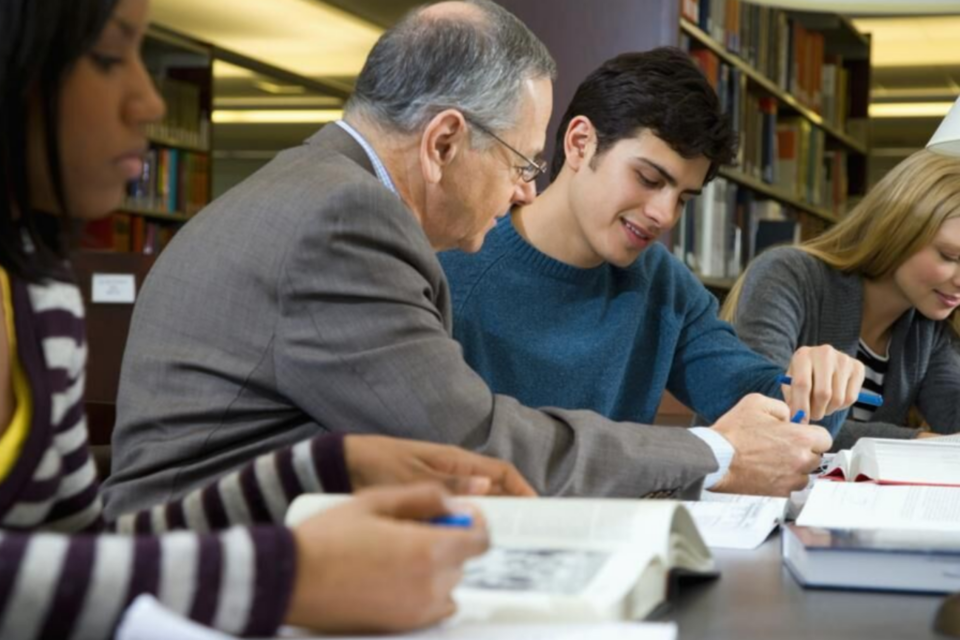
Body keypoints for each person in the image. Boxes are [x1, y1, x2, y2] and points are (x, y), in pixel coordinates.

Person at [104, 0, 831, 519]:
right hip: (205, 569)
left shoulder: (313, 190)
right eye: (519, 161)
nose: (524, 188)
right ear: (444, 143)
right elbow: (469, 440)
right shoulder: (346, 220)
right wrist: (712, 454)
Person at [0, 0, 540, 636]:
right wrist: (286, 572)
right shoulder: (340, 212)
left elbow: (82, 556)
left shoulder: (42, 292)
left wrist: (327, 468)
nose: (149, 101)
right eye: (109, 57)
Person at [438, 48, 864, 445]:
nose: (664, 215)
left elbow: (768, 406)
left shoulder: (665, 286)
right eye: (648, 179)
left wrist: (821, 386)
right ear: (580, 143)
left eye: (683, 199)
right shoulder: (452, 267)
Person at [720, 149, 960, 450]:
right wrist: (918, 443)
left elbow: (954, 419)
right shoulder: (788, 275)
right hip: (741, 476)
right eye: (950, 256)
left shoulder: (928, 331)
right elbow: (767, 415)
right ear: (898, 231)